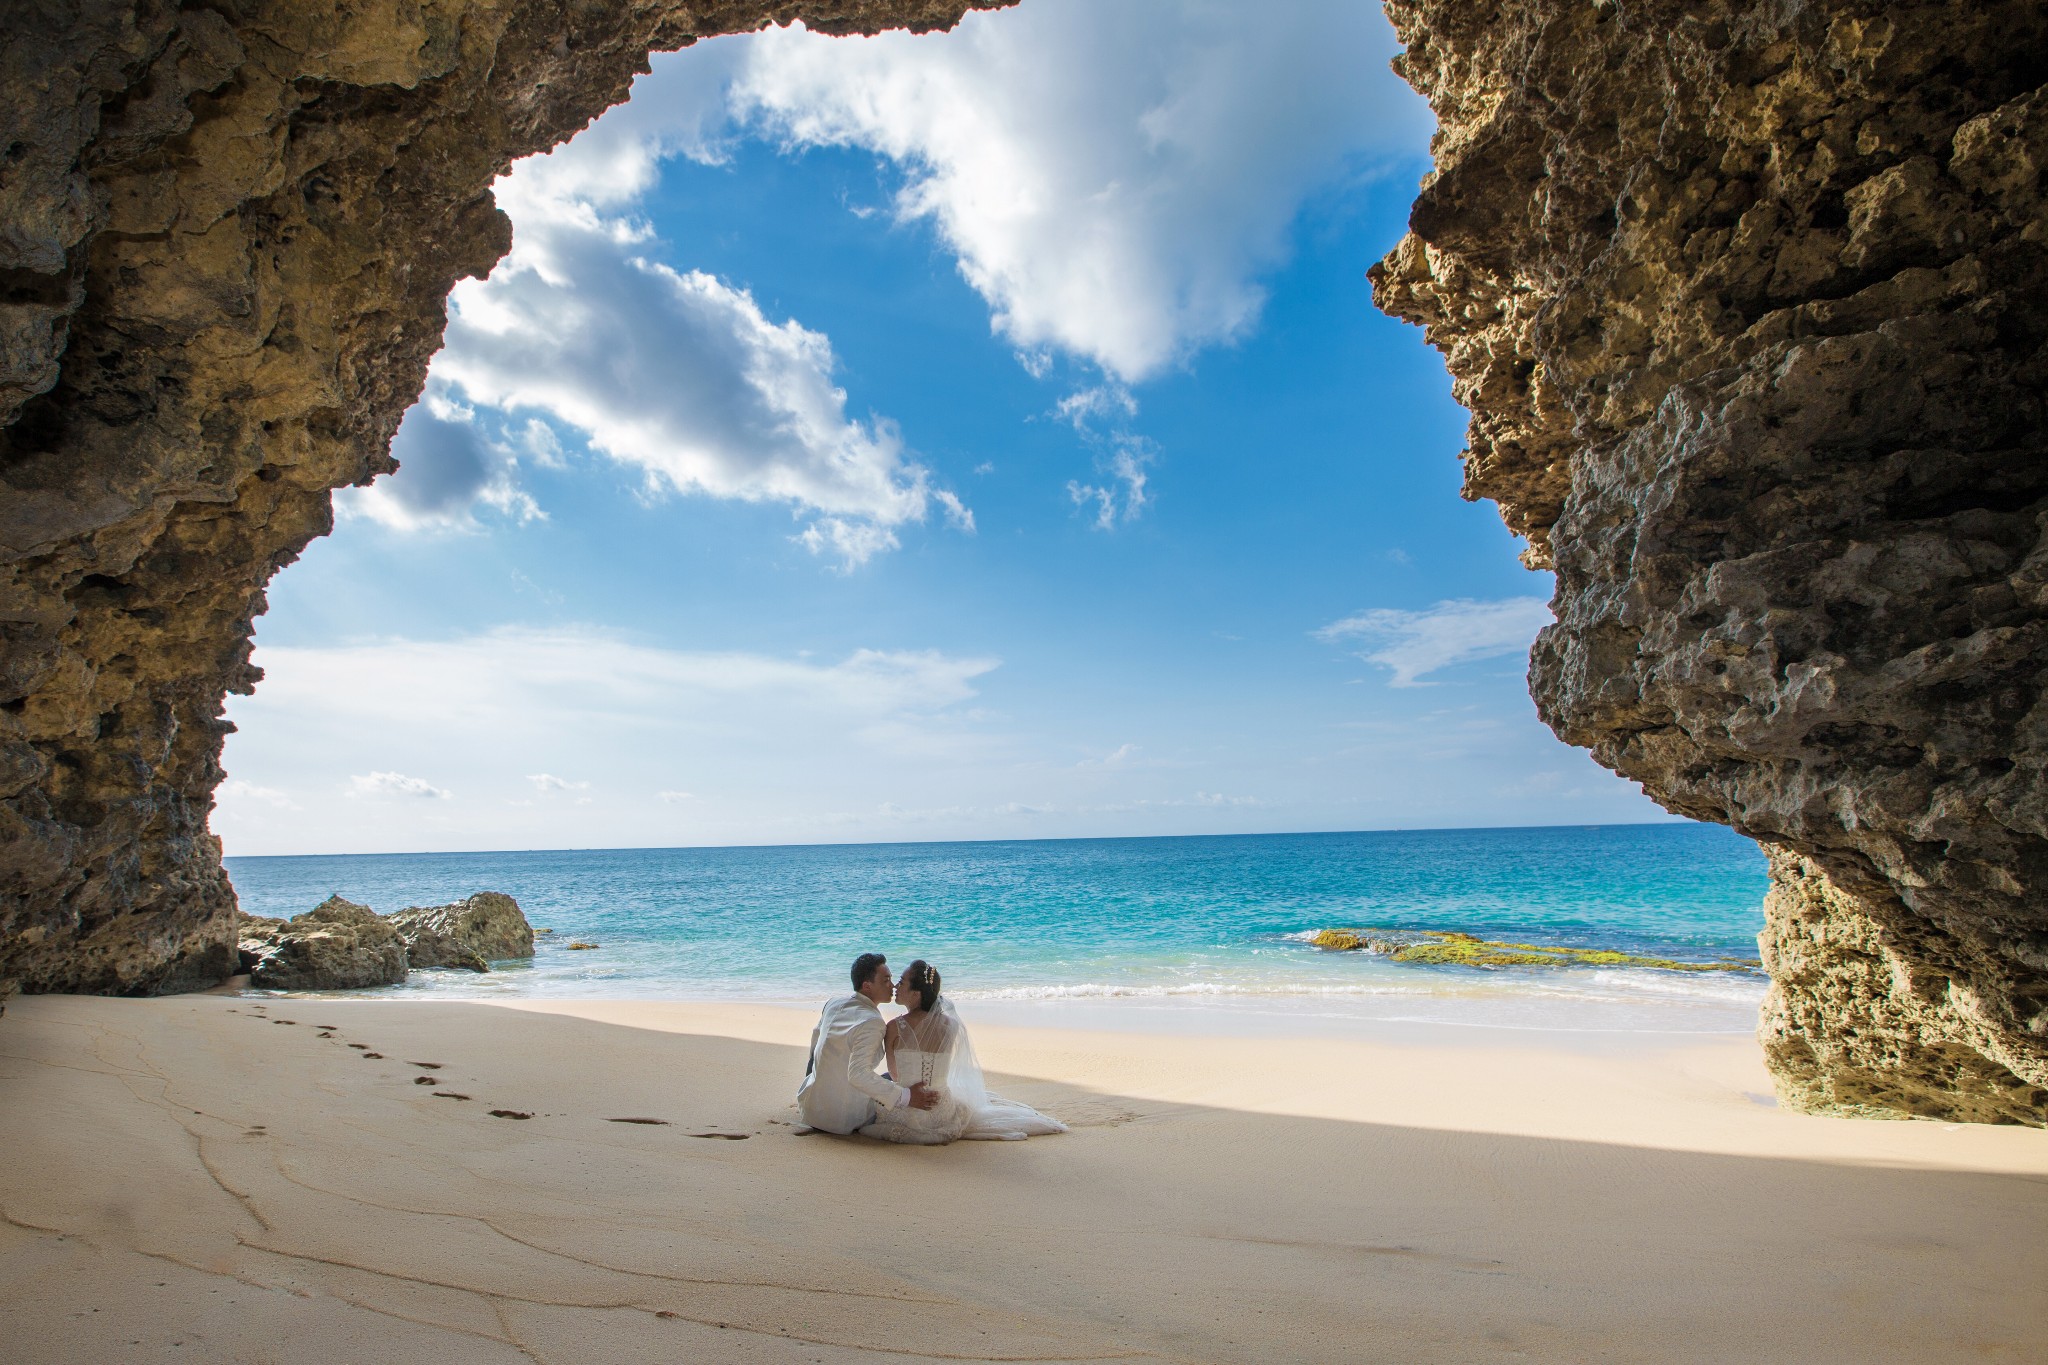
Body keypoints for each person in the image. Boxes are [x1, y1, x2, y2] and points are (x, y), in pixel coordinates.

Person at [861, 959, 1068, 1145]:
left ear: (915, 994)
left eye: (901, 981)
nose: (896, 986)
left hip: (909, 1115)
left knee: (876, 1090)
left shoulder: (895, 1027)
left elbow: (895, 1074)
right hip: (942, 1111)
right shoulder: (951, 1026)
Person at [797, 952, 940, 1134]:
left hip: (810, 1110)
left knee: (887, 1078)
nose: (893, 985)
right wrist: (908, 1097)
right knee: (895, 1081)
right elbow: (858, 1075)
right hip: (842, 1119)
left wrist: (820, 1083)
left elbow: (815, 1045)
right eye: (886, 980)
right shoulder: (872, 1022)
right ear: (867, 986)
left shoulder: (833, 1003)